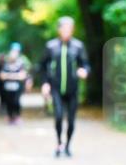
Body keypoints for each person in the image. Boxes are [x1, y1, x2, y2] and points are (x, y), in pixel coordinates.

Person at [38, 16, 90, 157]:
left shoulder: (78, 46)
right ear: (59, 30)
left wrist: (84, 71)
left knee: (71, 120)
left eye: (69, 28)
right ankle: (59, 143)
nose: (66, 31)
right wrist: (45, 83)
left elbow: (85, 64)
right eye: (64, 28)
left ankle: (68, 146)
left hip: (73, 89)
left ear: (72, 30)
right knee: (59, 116)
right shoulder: (51, 46)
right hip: (56, 88)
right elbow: (42, 66)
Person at [0, 43, 32, 124]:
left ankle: (17, 116)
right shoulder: (6, 61)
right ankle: (10, 116)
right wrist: (14, 76)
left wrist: (10, 76)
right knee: (8, 101)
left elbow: (25, 74)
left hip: (17, 86)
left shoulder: (23, 60)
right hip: (7, 86)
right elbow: (1, 75)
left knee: (16, 101)